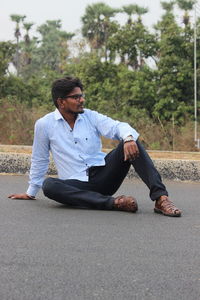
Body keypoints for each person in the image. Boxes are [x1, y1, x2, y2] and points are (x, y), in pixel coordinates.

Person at [9, 77, 181, 217]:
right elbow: (40, 158)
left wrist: (128, 138)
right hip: (76, 185)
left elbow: (117, 126)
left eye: (81, 95)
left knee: (131, 142)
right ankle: (114, 203)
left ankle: (161, 199)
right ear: (61, 102)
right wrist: (31, 192)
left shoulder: (90, 116)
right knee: (50, 185)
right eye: (76, 97)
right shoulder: (44, 124)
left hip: (103, 176)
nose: (81, 100)